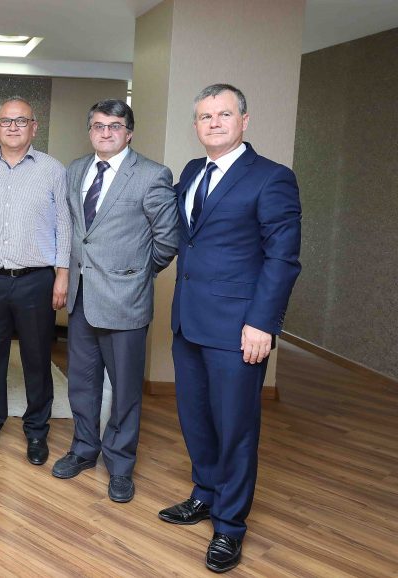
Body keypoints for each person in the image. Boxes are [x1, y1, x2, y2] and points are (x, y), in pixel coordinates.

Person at [160, 84, 301, 573]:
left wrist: (262, 323)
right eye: (205, 116)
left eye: (224, 114)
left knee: (236, 427)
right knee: (196, 417)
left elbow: (282, 258)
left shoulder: (272, 178)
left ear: (244, 120)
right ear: (196, 126)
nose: (214, 123)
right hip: (189, 321)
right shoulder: (192, 171)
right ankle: (205, 493)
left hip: (239, 328)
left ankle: (230, 525)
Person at [51, 99, 178, 503]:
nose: (106, 133)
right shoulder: (75, 170)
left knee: (124, 390)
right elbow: (77, 232)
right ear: (90, 131)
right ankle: (83, 449)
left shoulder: (152, 175)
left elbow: (167, 240)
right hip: (82, 298)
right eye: (98, 126)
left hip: (125, 301)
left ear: (129, 132)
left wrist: (136, 275)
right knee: (82, 384)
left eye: (115, 126)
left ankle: (120, 464)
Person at [0, 97, 70, 466]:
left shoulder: (53, 170)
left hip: (36, 280)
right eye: (6, 121)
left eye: (22, 121)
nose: (14, 127)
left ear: (34, 127)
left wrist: (62, 275)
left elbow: (65, 225)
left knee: (37, 359)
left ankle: (36, 430)